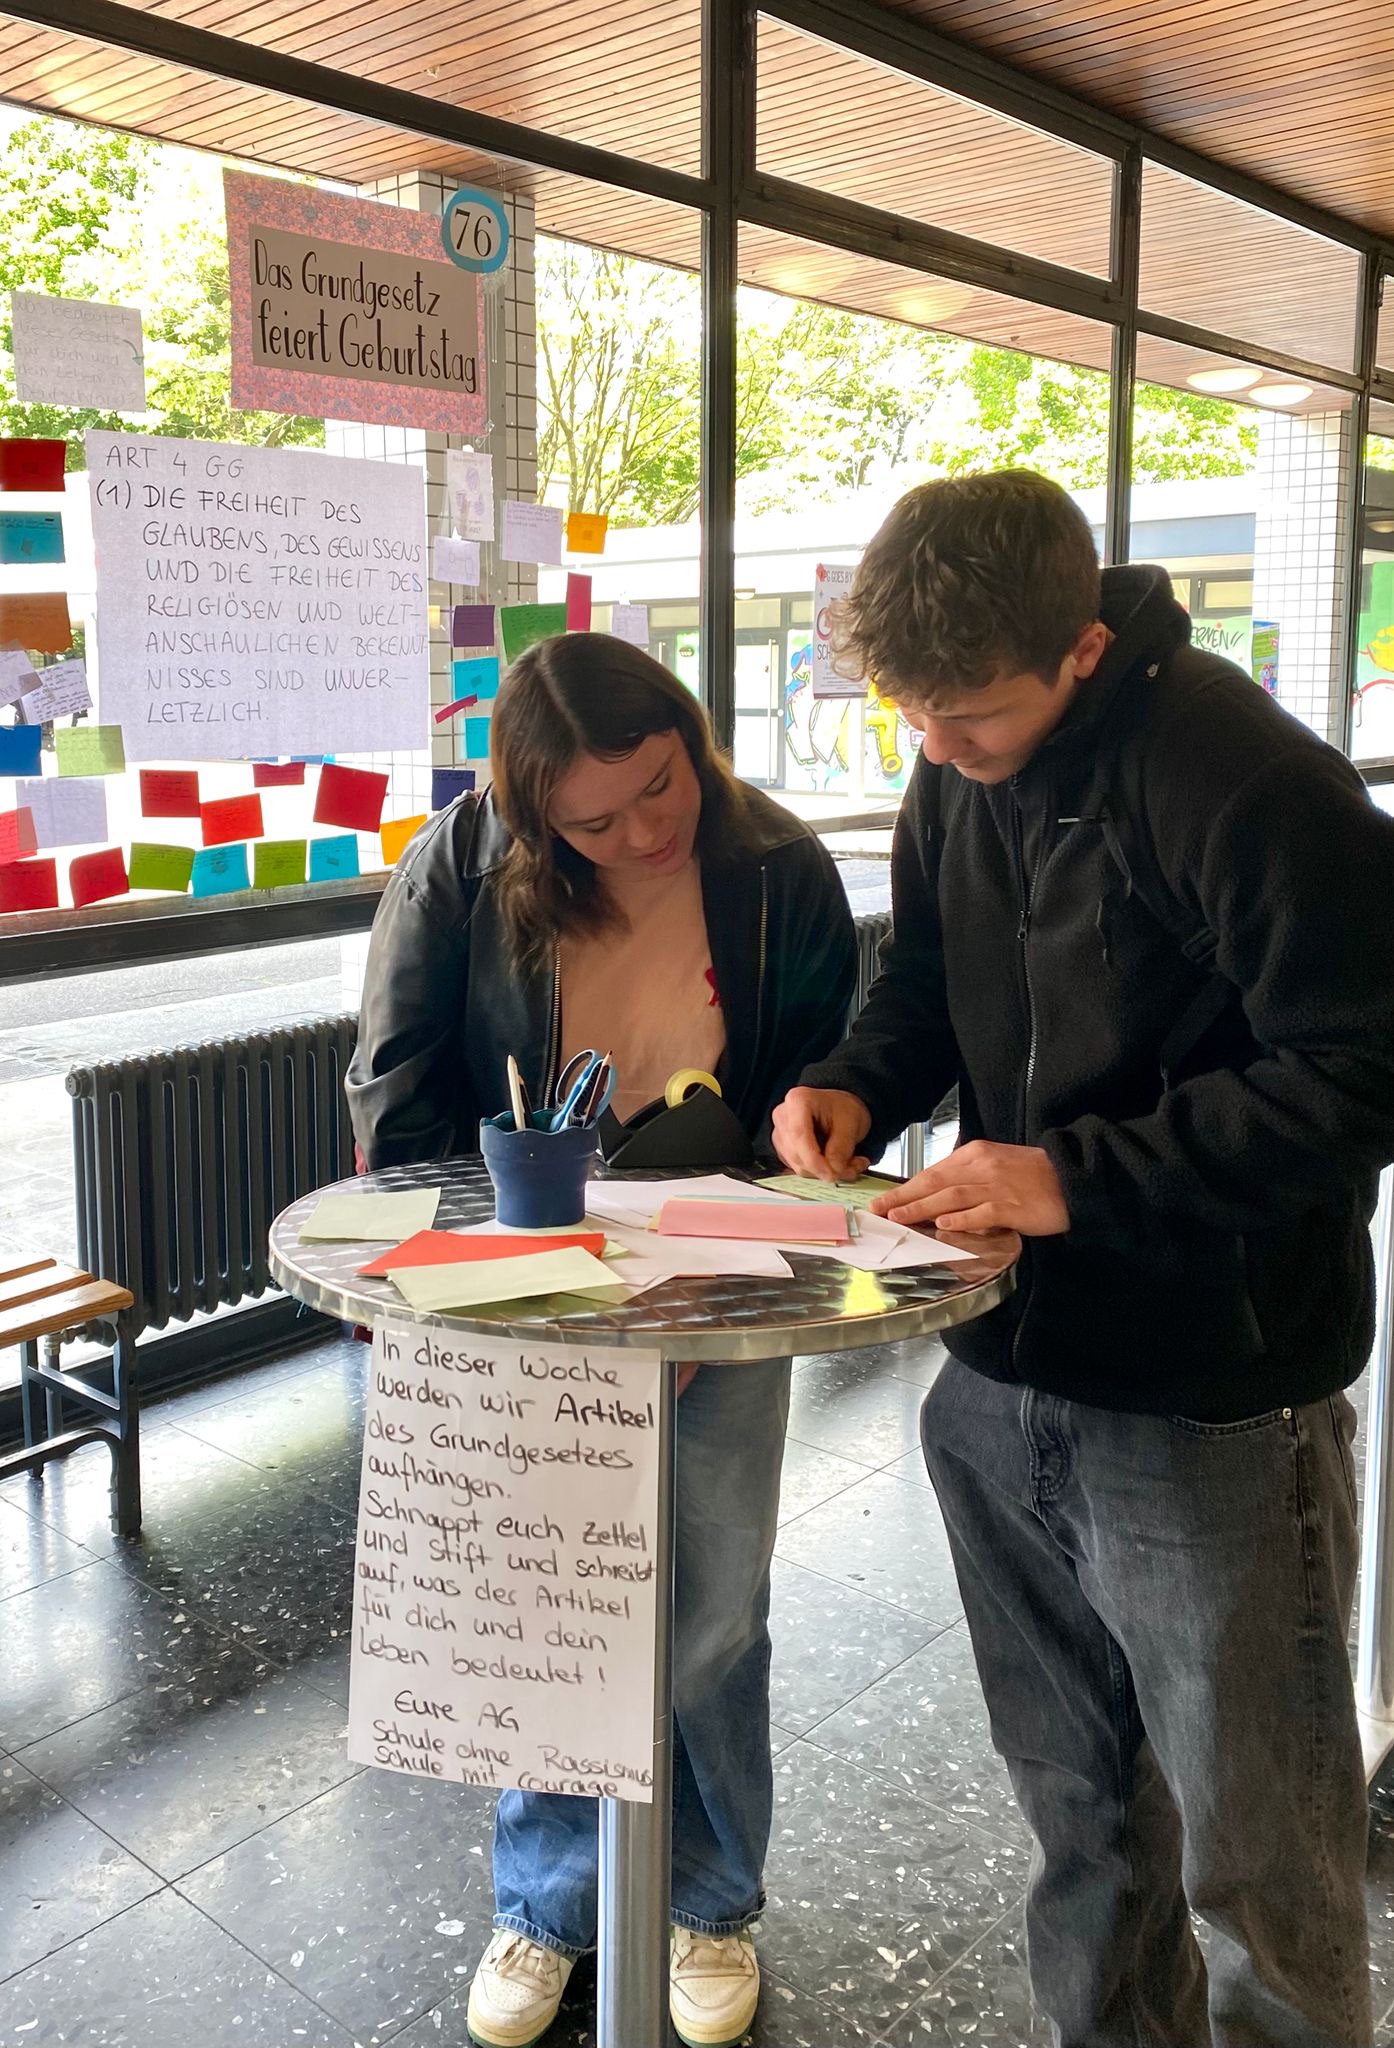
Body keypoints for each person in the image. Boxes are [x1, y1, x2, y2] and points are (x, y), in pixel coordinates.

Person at [772, 470, 1394, 2048]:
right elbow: (925, 980)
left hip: (1212, 1394)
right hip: (996, 1365)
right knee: (1078, 1816)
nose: (934, 747)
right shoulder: (954, 764)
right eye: (908, 713)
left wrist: (1071, 1177)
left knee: (1259, 1863)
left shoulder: (1245, 779)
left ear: (1083, 651)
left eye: (969, 713)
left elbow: (1363, 1071)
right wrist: (855, 1082)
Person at [347, 632, 857, 2048]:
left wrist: (728, 1278)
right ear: (533, 819)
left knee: (711, 1611)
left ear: (689, 738)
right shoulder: (464, 867)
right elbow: (399, 1089)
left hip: (723, 1264)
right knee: (549, 1602)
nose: (641, 834)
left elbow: (820, 1081)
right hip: (526, 1270)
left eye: (659, 787)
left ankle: (712, 1900)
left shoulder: (777, 866)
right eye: (593, 822)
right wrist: (481, 1288)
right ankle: (549, 1904)